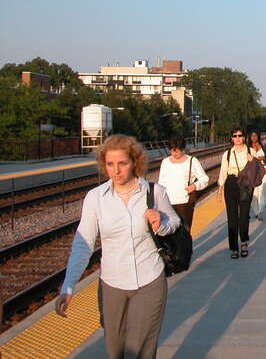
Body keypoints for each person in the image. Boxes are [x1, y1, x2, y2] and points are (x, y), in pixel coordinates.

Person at [55, 134, 180, 359]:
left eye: (122, 163)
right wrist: (68, 286)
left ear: (135, 162)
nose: (116, 170)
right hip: (112, 283)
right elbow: (83, 245)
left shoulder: (154, 192)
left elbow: (174, 222)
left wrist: (161, 222)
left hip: (149, 279)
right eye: (110, 164)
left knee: (141, 349)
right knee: (114, 350)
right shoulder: (95, 198)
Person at [157, 135, 209, 232]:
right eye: (172, 150)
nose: (174, 153)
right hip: (168, 203)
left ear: (183, 149)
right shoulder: (165, 162)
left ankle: (185, 247)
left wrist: (194, 186)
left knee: (184, 232)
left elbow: (204, 179)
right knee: (169, 233)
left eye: (177, 150)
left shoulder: (192, 161)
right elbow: (161, 183)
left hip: (184, 203)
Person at [217, 127, 254, 258]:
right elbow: (223, 172)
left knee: (244, 216)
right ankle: (234, 247)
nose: (237, 138)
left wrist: (253, 161)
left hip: (245, 184)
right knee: (232, 218)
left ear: (244, 137)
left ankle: (244, 242)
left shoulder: (250, 151)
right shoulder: (227, 153)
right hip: (231, 183)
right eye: (235, 136)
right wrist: (220, 189)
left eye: (240, 135)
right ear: (231, 138)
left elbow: (257, 169)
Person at [247, 130, 266, 221]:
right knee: (254, 192)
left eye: (255, 136)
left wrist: (263, 158)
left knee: (262, 190)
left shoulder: (264, 147)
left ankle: (260, 211)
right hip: (252, 172)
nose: (254, 137)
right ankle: (256, 211)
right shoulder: (247, 148)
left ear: (258, 137)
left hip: (264, 171)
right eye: (252, 136)